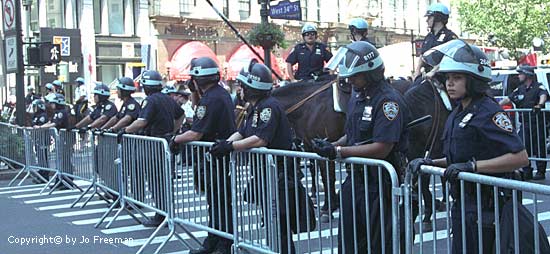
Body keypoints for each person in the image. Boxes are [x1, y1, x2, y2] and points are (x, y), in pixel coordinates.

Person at [408, 41, 529, 254]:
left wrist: (473, 167)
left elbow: (520, 158)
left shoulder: (488, 112)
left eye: (457, 78)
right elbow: (459, 158)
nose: (449, 84)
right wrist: (431, 163)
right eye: (447, 78)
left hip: (489, 209)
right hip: (464, 205)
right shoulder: (457, 112)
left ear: (473, 79)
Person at [313, 41, 409, 253]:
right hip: (356, 181)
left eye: (355, 76)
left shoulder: (387, 102)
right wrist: (331, 145)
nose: (350, 81)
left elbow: (382, 147)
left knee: (379, 244)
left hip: (379, 185)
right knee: (351, 244)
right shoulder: (358, 97)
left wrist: (339, 152)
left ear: (371, 73)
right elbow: (353, 135)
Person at [211, 60, 312, 253]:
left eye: (243, 86)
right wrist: (224, 143)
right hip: (266, 173)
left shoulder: (268, 107)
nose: (240, 89)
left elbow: (260, 140)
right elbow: (242, 132)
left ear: (252, 88)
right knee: (271, 221)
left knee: (280, 223)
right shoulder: (255, 108)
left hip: (279, 174)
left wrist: (230, 147)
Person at [170, 57, 235, 254]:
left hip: (215, 158)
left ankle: (222, 245)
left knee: (219, 203)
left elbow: (196, 133)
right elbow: (199, 111)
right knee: (216, 203)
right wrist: (194, 92)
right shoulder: (218, 94)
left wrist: (175, 140)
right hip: (217, 156)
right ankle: (214, 241)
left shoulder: (212, 99)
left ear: (197, 79)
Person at [122, 70, 185, 227]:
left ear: (146, 86)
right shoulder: (167, 99)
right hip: (165, 143)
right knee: (163, 180)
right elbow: (180, 115)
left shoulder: (150, 101)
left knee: (155, 180)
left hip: (153, 145)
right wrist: (173, 132)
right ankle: (164, 213)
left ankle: (161, 214)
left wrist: (125, 131)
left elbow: (142, 121)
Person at [499, 65, 548, 180]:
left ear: (527, 75)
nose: (518, 76)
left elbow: (543, 95)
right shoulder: (520, 89)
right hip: (525, 124)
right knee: (523, 147)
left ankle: (540, 171)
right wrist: (495, 106)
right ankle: (527, 171)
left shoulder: (538, 86)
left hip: (537, 123)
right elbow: (508, 99)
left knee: (539, 147)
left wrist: (540, 105)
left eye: (521, 73)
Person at [414, 3, 458, 78]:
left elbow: (449, 58)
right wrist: (417, 71)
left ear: (438, 18)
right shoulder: (428, 37)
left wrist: (433, 71)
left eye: (429, 17)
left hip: (443, 77)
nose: (427, 20)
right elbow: (422, 55)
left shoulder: (450, 37)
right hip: (427, 75)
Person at [30, 99, 50, 182]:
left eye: (35, 106)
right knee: (39, 157)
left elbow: (40, 125)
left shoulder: (43, 116)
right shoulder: (35, 115)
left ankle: (44, 175)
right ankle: (41, 173)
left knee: (43, 157)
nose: (34, 108)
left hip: (43, 139)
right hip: (37, 138)